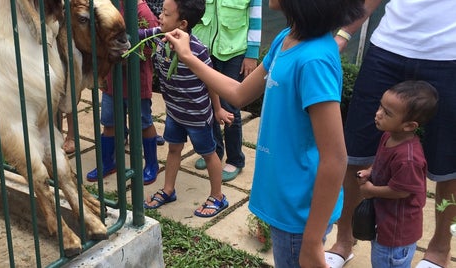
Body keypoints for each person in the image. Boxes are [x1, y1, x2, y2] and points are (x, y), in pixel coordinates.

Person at [162, 0, 363, 266]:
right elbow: (239, 93)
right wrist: (188, 57)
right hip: (284, 198)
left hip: (299, 211)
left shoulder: (315, 60)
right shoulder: (287, 39)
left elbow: (336, 158)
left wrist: (312, 241)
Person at [326, 1, 456, 267]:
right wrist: (344, 33)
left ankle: (440, 250)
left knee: (449, 165)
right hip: (388, 48)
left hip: (449, 56)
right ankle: (344, 240)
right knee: (355, 153)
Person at [141, 0, 229, 218]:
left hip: (197, 116)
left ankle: (218, 196)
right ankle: (168, 190)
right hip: (174, 112)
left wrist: (217, 109)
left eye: (166, 14)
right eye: (161, 11)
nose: (160, 16)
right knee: (173, 149)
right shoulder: (159, 36)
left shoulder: (197, 50)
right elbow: (136, 35)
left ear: (182, 24)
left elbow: (211, 82)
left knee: (209, 154)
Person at [353, 81, 438, 268]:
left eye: (387, 113)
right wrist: (370, 171)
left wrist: (372, 190)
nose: (378, 114)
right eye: (380, 106)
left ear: (409, 126)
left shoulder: (408, 159)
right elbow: (381, 160)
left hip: (397, 234)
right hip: (385, 224)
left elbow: (401, 191)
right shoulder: (389, 135)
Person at [85, 0, 160, 185]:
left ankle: (151, 164)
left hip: (136, 79)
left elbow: (151, 46)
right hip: (112, 79)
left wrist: (129, 54)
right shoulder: (108, 7)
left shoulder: (142, 11)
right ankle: (107, 162)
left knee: (143, 122)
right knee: (109, 121)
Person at [190, 0, 262, 182]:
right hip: (204, 49)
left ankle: (236, 159)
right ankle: (214, 150)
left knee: (230, 106)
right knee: (208, 103)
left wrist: (252, 54)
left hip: (234, 51)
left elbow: (255, 18)